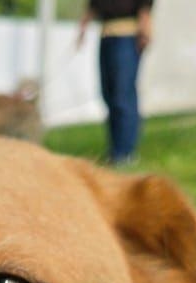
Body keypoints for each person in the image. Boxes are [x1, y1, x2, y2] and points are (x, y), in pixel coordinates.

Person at [78, 0, 152, 166]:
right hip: (107, 36)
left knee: (122, 96)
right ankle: (115, 150)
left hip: (127, 37)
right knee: (108, 95)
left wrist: (145, 30)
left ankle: (125, 152)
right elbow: (93, 6)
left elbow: (145, 7)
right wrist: (82, 28)